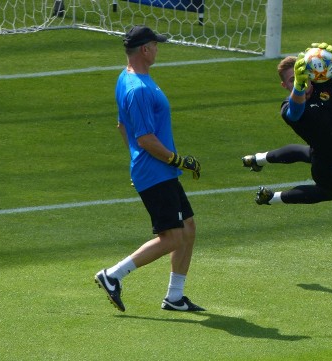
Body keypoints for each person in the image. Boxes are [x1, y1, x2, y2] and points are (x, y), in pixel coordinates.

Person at [94, 25, 205, 312]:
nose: (158, 49)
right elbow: (145, 139)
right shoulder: (139, 90)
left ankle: (175, 297)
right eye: (155, 45)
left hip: (156, 170)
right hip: (156, 170)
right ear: (145, 50)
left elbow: (122, 126)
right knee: (172, 237)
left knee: (188, 227)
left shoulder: (127, 78)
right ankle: (113, 275)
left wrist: (137, 161)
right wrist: (178, 160)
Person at [242, 43, 332, 205]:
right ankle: (270, 198)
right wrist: (299, 88)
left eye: (302, 75)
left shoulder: (318, 82)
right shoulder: (289, 107)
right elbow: (295, 111)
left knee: (307, 153)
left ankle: (256, 159)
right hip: (331, 164)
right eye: (293, 80)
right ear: (285, 86)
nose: (301, 81)